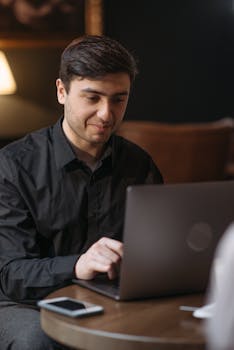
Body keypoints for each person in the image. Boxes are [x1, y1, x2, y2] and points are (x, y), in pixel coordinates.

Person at [0, 35, 163, 349]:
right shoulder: (12, 166)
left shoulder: (140, 164)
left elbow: (156, 251)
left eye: (118, 99)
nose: (106, 113)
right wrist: (78, 265)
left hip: (109, 298)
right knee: (38, 341)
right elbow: (10, 274)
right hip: (26, 303)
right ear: (62, 92)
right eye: (93, 98)